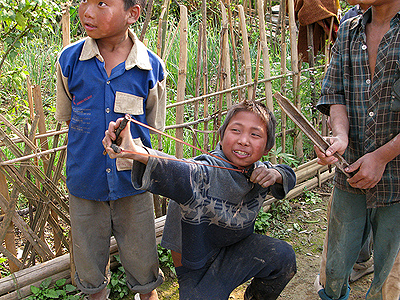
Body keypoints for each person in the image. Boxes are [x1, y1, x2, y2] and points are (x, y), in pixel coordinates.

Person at [103, 100, 297, 300]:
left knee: (282, 256)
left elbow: (289, 175)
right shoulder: (206, 171)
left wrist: (275, 174)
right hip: (197, 265)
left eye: (255, 134)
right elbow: (179, 169)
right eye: (236, 130)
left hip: (236, 250)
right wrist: (136, 151)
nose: (243, 140)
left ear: (267, 148)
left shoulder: (259, 171)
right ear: (221, 138)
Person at [55, 0, 166, 298]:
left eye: (102, 3)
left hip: (134, 184)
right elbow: (68, 118)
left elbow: (152, 125)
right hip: (85, 183)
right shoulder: (69, 61)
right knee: (91, 272)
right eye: (85, 2)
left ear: (132, 13)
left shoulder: (150, 68)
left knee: (145, 270)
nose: (88, 11)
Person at [313, 1, 400, 299]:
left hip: (398, 179)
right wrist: (340, 136)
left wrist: (382, 156)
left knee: (390, 277)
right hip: (351, 171)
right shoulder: (350, 29)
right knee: (335, 265)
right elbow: (335, 91)